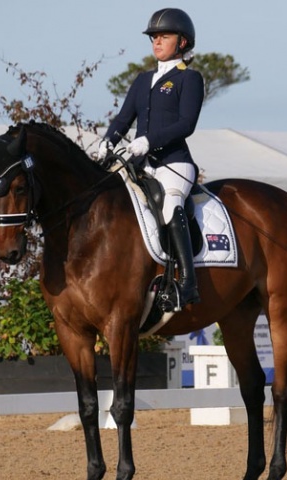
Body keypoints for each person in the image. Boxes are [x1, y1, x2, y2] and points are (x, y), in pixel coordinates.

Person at [98, 7, 205, 306]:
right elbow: (122, 120)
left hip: (174, 164)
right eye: (153, 37)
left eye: (164, 36)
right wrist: (107, 141)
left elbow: (186, 124)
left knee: (171, 205)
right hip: (140, 164)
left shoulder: (189, 79)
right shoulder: (143, 80)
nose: (156, 42)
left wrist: (148, 141)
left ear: (182, 42)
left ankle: (188, 283)